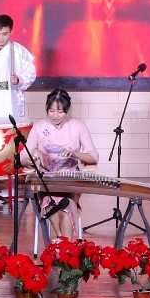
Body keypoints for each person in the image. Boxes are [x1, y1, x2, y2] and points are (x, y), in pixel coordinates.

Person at [25, 88, 98, 238]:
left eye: (60, 111)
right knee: (50, 201)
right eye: (51, 111)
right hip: (47, 180)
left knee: (66, 204)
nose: (55, 115)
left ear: (67, 109)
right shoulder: (39, 127)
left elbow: (93, 157)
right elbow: (23, 156)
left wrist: (74, 154)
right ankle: (63, 242)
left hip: (71, 180)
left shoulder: (78, 126)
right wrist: (34, 157)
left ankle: (60, 242)